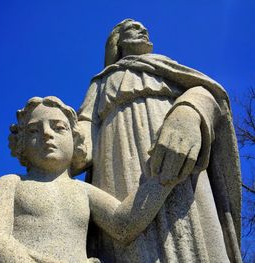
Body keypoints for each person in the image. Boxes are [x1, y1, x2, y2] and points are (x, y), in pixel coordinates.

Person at [77, 19, 242, 262]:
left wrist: (189, 111)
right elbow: (85, 129)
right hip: (118, 161)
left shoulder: (166, 66)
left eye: (144, 27)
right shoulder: (102, 82)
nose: (143, 30)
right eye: (134, 27)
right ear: (117, 41)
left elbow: (212, 96)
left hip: (182, 150)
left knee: (196, 231)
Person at [0, 96, 188, 263]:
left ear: (75, 138)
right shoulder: (10, 183)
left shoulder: (82, 190)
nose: (46, 134)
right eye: (33, 130)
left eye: (59, 127)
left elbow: (123, 224)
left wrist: (163, 178)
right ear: (21, 143)